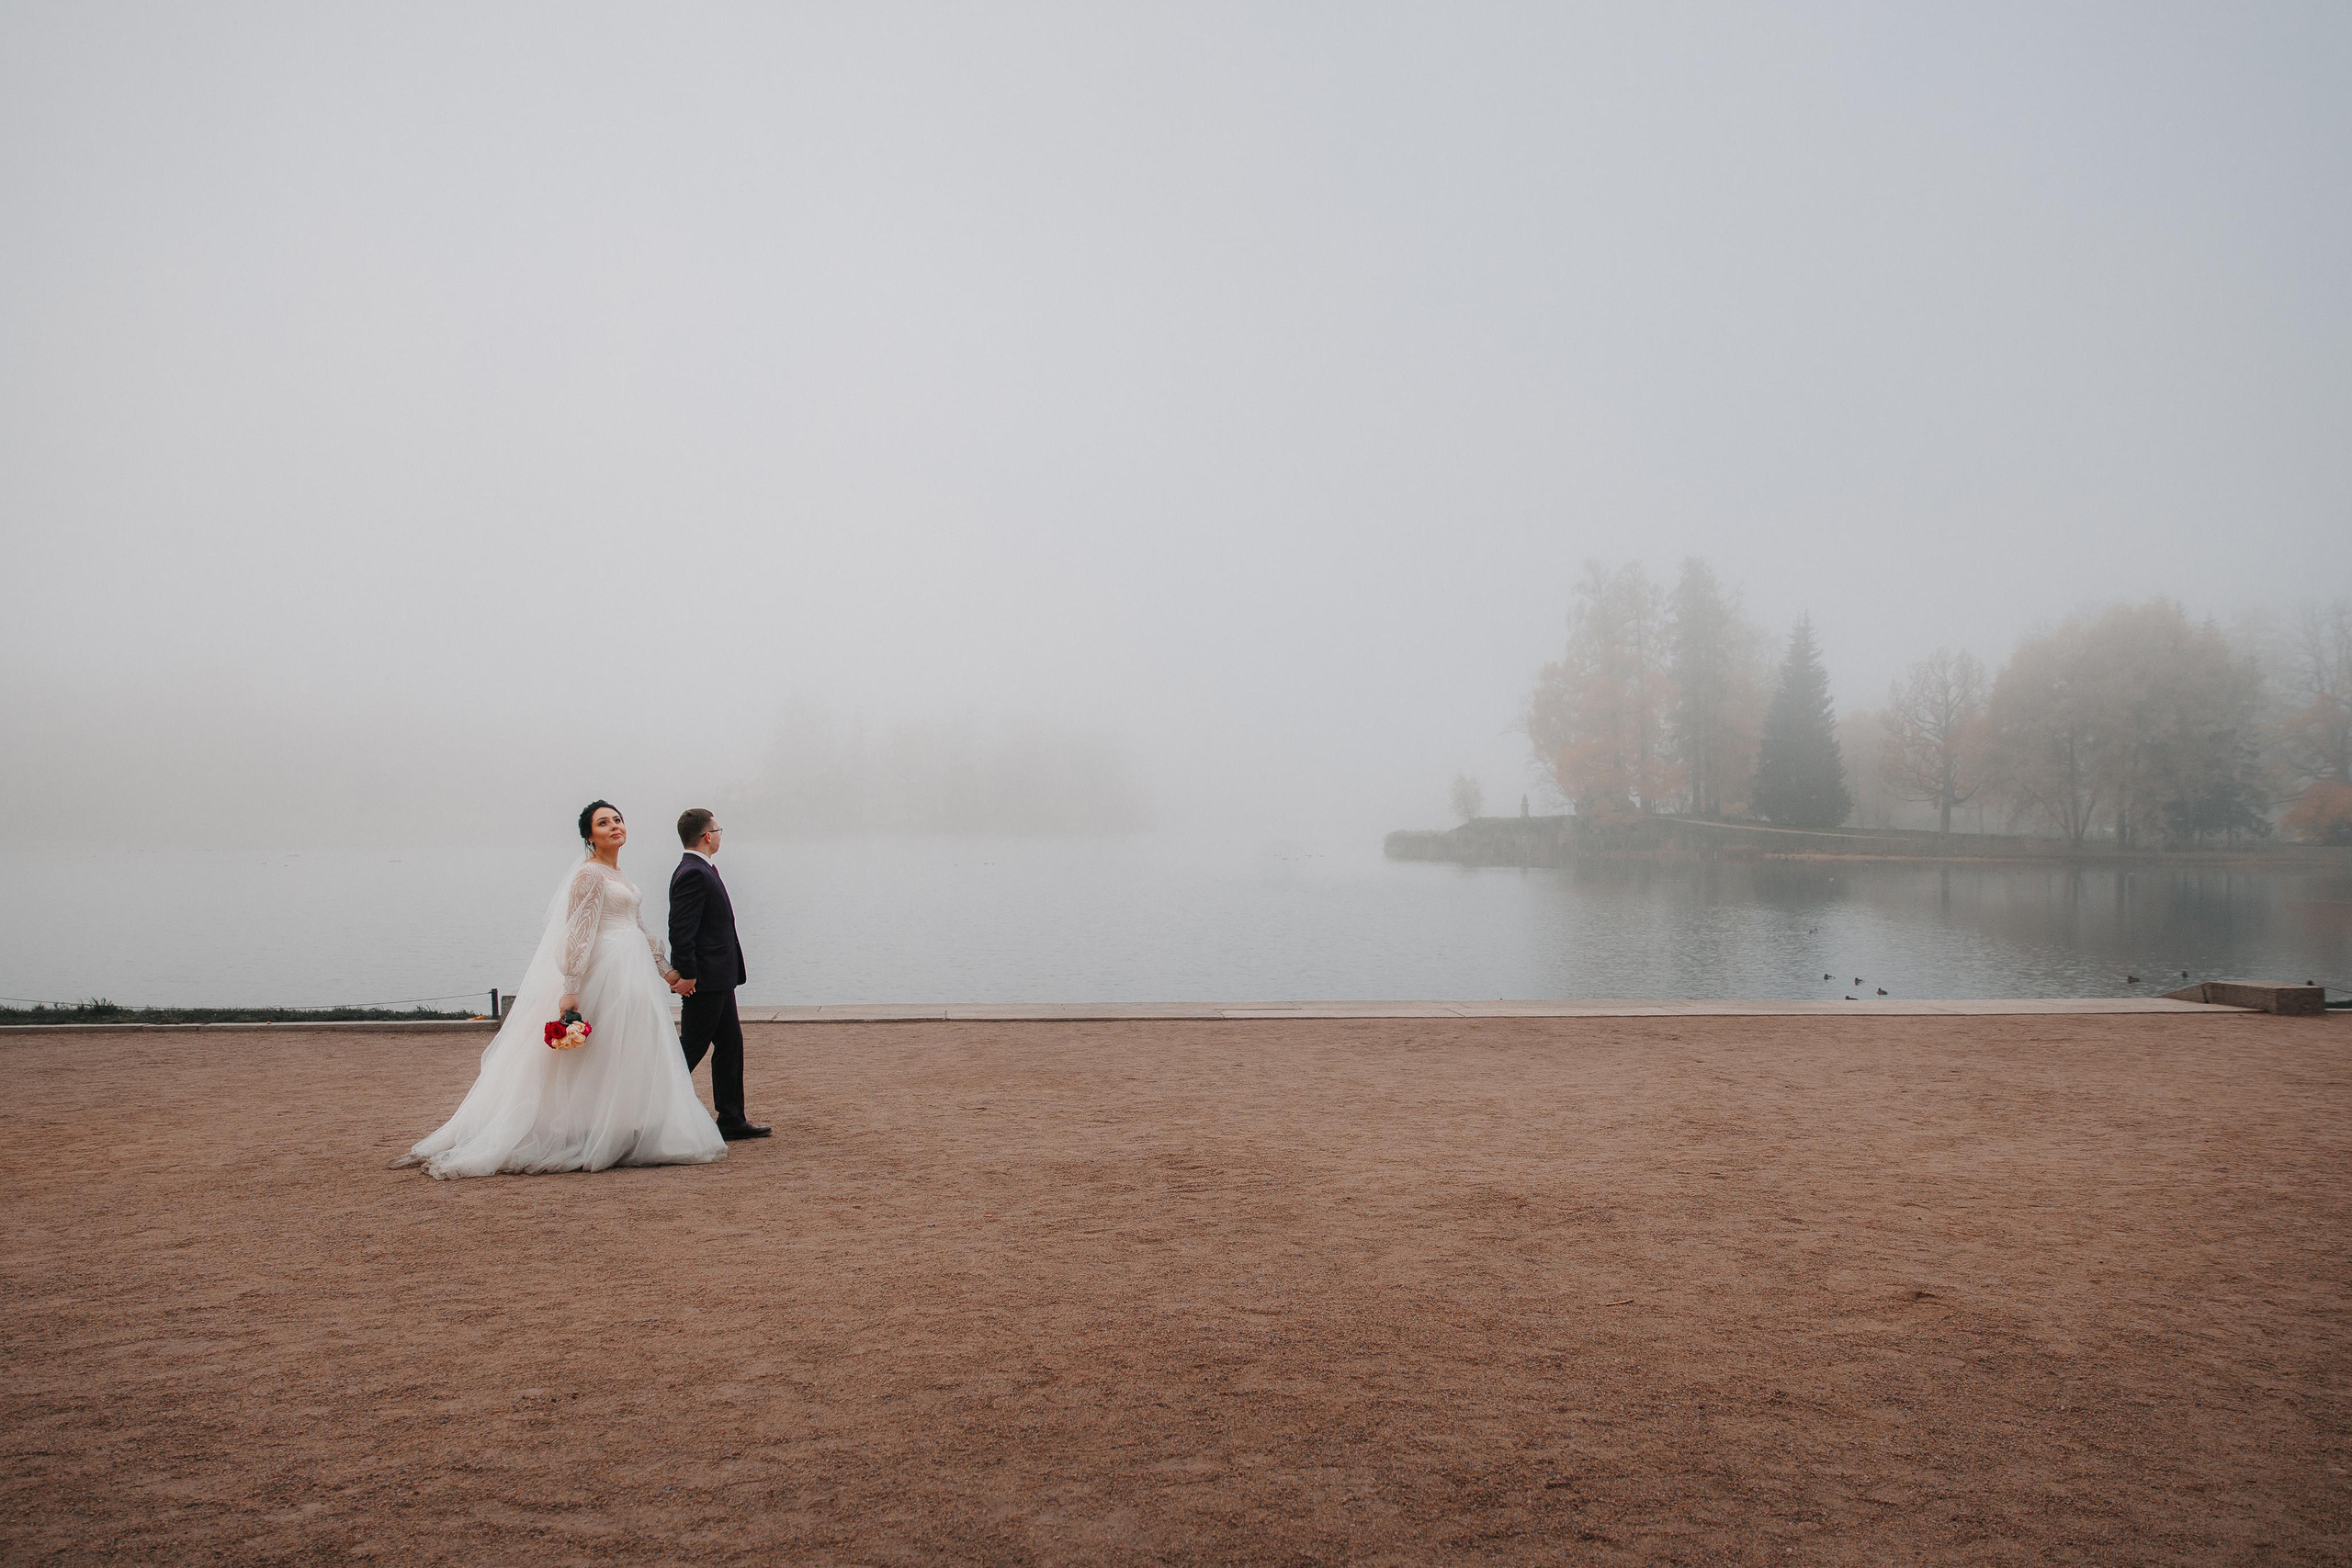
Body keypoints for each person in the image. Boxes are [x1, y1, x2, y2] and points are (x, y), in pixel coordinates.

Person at [395, 802, 727, 1178]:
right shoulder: (589, 876)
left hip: (632, 972)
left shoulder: (619, 875)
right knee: (597, 1051)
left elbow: (639, 925)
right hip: (604, 972)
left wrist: (667, 972)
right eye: (604, 823)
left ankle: (619, 1127)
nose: (614, 826)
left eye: (617, 820)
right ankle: (586, 1131)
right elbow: (578, 933)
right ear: (590, 836)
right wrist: (570, 988)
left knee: (627, 1048)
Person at [670, 807, 770, 1140]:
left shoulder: (701, 868)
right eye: (718, 829)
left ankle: (731, 1117)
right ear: (708, 836)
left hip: (720, 977)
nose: (720, 834)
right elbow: (681, 930)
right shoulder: (693, 873)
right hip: (705, 979)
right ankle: (647, 1109)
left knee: (730, 1043)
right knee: (691, 1048)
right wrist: (688, 974)